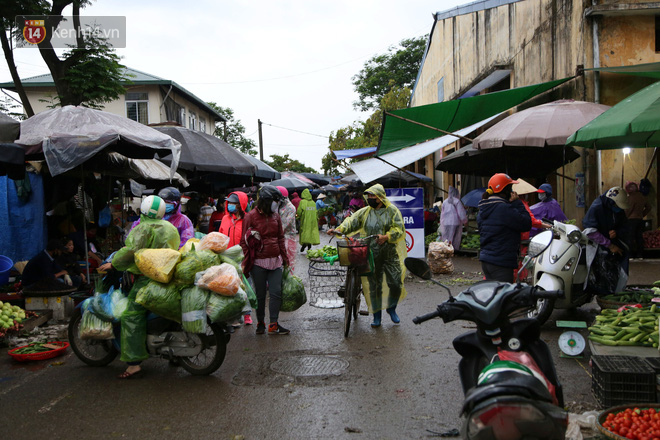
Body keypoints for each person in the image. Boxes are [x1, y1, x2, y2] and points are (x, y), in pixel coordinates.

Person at [117, 195, 181, 379]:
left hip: (146, 280)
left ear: (143, 210)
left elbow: (130, 252)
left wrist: (114, 263)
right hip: (168, 277)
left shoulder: (143, 229)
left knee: (131, 315)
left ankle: (133, 364)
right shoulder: (170, 228)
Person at [328, 183, 408, 328]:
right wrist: (338, 229)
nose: (370, 198)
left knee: (395, 283)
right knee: (374, 286)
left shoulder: (392, 211)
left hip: (389, 252)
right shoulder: (365, 212)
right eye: (369, 195)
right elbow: (351, 222)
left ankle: (391, 308)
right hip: (371, 253)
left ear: (380, 197)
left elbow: (399, 228)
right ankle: (376, 315)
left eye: (373, 195)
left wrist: (387, 236)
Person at [240, 186, 290, 335]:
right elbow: (243, 241)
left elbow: (280, 238)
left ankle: (274, 323)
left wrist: (285, 258)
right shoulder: (250, 216)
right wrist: (245, 262)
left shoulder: (276, 216)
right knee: (260, 295)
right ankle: (260, 322)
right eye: (274, 202)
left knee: (276, 293)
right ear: (265, 201)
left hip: (275, 261)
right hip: (258, 263)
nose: (276, 205)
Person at [477, 173, 532, 283]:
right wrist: (517, 203)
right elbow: (526, 223)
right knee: (502, 297)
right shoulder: (504, 209)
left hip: (487, 260)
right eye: (510, 188)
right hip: (501, 262)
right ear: (506, 190)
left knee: (492, 295)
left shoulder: (484, 208)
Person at [218, 191, 252, 326]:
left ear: (241, 205)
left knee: (245, 287)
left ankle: (247, 314)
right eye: (229, 203)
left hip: (243, 257)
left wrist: (247, 259)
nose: (230, 205)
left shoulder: (248, 219)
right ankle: (235, 316)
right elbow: (220, 235)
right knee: (230, 287)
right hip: (227, 257)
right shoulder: (225, 218)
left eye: (234, 203)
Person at [583, 186, 630, 277]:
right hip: (598, 245)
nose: (619, 209)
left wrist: (617, 232)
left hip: (614, 244)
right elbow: (590, 232)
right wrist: (610, 245)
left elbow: (625, 225)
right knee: (599, 273)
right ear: (611, 202)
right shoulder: (597, 208)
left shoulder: (618, 210)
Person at [624, 181, 650, 260]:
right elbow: (649, 207)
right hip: (640, 219)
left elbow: (629, 209)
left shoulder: (631, 198)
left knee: (630, 237)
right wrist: (642, 214)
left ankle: (631, 255)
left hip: (631, 220)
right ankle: (640, 255)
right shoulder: (642, 197)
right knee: (639, 237)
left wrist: (625, 218)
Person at [276, 186, 298, 272]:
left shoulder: (290, 208)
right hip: (279, 239)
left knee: (288, 264)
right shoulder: (279, 206)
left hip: (288, 239)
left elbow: (284, 225)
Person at [297, 189, 320, 253]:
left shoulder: (302, 202)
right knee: (311, 232)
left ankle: (304, 244)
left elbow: (299, 211)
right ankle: (309, 244)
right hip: (313, 220)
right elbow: (316, 212)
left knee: (305, 232)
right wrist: (317, 219)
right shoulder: (313, 202)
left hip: (305, 220)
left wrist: (298, 217)